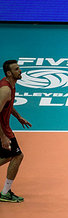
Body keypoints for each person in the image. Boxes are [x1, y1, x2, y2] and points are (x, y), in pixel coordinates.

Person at [0, 60, 31, 203]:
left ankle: (6, 192)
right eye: (16, 69)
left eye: (19, 68)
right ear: (9, 73)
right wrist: (3, 137)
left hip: (6, 128)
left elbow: (8, 105)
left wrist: (19, 117)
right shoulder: (5, 89)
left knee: (13, 156)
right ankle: (5, 193)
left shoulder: (11, 86)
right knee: (17, 156)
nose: (20, 71)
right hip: (3, 130)